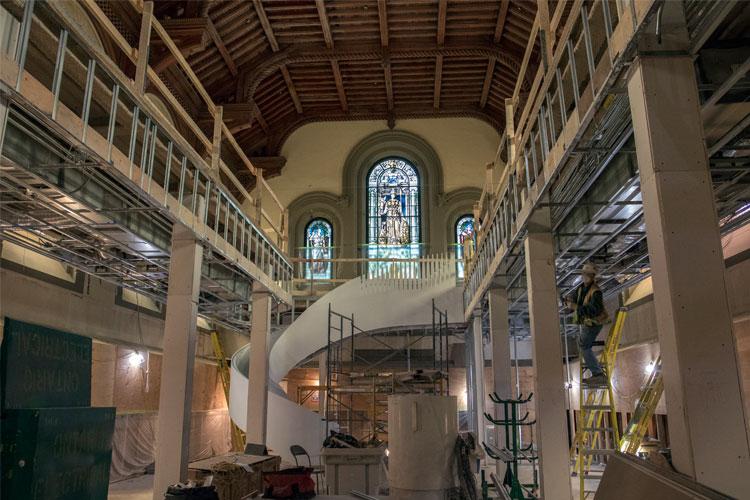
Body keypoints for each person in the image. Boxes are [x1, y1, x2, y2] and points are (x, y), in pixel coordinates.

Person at [566, 262, 609, 386]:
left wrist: (576, 307)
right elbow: (576, 298)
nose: (584, 276)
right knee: (582, 344)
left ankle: (598, 374)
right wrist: (570, 300)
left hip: (594, 323)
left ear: (592, 276)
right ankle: (597, 373)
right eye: (583, 274)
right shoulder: (581, 288)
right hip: (586, 323)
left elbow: (594, 310)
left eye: (587, 274)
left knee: (584, 346)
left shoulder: (596, 292)